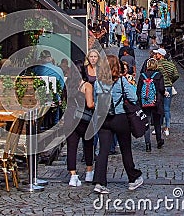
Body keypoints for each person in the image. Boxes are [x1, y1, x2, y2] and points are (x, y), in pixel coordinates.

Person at [93, 55, 143, 194]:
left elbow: (95, 102)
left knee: (103, 151)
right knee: (125, 149)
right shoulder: (121, 81)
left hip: (104, 118)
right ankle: (133, 179)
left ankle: (99, 182)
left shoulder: (98, 83)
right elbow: (134, 98)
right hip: (120, 117)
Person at [65, 61, 95, 187]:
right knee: (88, 145)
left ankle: (73, 175)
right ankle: (89, 172)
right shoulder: (87, 85)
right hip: (84, 119)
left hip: (70, 118)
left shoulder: (67, 84)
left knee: (71, 148)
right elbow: (89, 104)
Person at [137, 58, 165, 151]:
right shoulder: (159, 75)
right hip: (156, 102)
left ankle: (147, 144)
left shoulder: (142, 76)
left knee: (146, 123)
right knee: (157, 123)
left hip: (145, 102)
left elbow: (138, 91)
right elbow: (161, 89)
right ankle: (159, 141)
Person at [154, 48, 179, 136]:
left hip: (160, 88)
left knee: (159, 108)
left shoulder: (158, 65)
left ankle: (158, 126)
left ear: (161, 55)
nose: (156, 55)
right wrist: (170, 81)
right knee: (167, 108)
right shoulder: (171, 64)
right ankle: (167, 127)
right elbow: (176, 75)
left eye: (157, 54)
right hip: (168, 87)